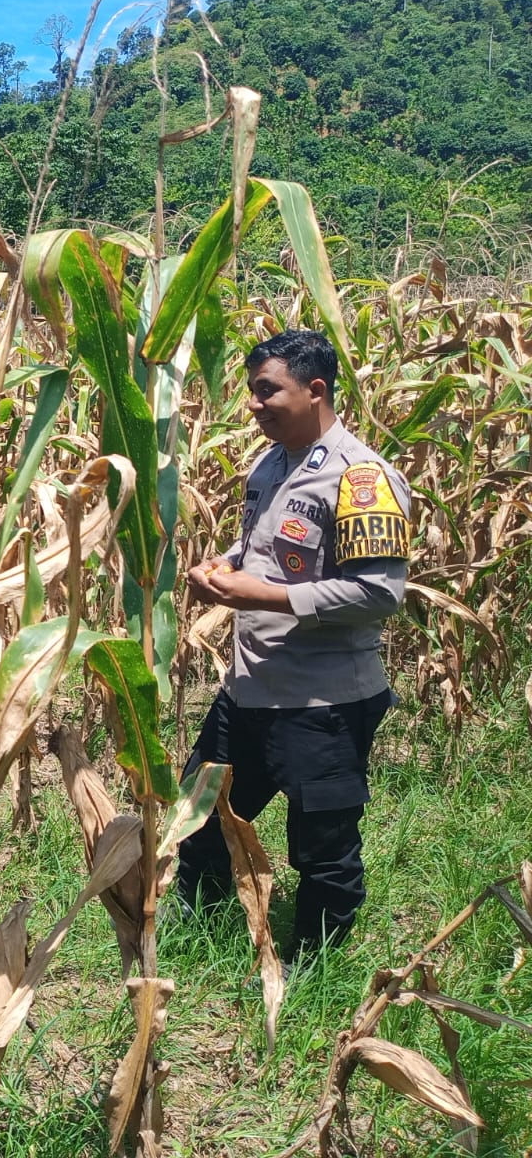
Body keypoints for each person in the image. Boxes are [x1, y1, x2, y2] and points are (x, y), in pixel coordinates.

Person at [178, 329, 410, 962]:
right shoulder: (271, 463)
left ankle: (316, 973)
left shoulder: (361, 479)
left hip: (322, 705)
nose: (252, 405)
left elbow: (380, 593)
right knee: (198, 819)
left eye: (265, 391)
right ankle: (192, 938)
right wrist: (221, 567)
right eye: (251, 391)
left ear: (315, 390)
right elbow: (266, 551)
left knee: (323, 851)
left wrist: (260, 597)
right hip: (248, 690)